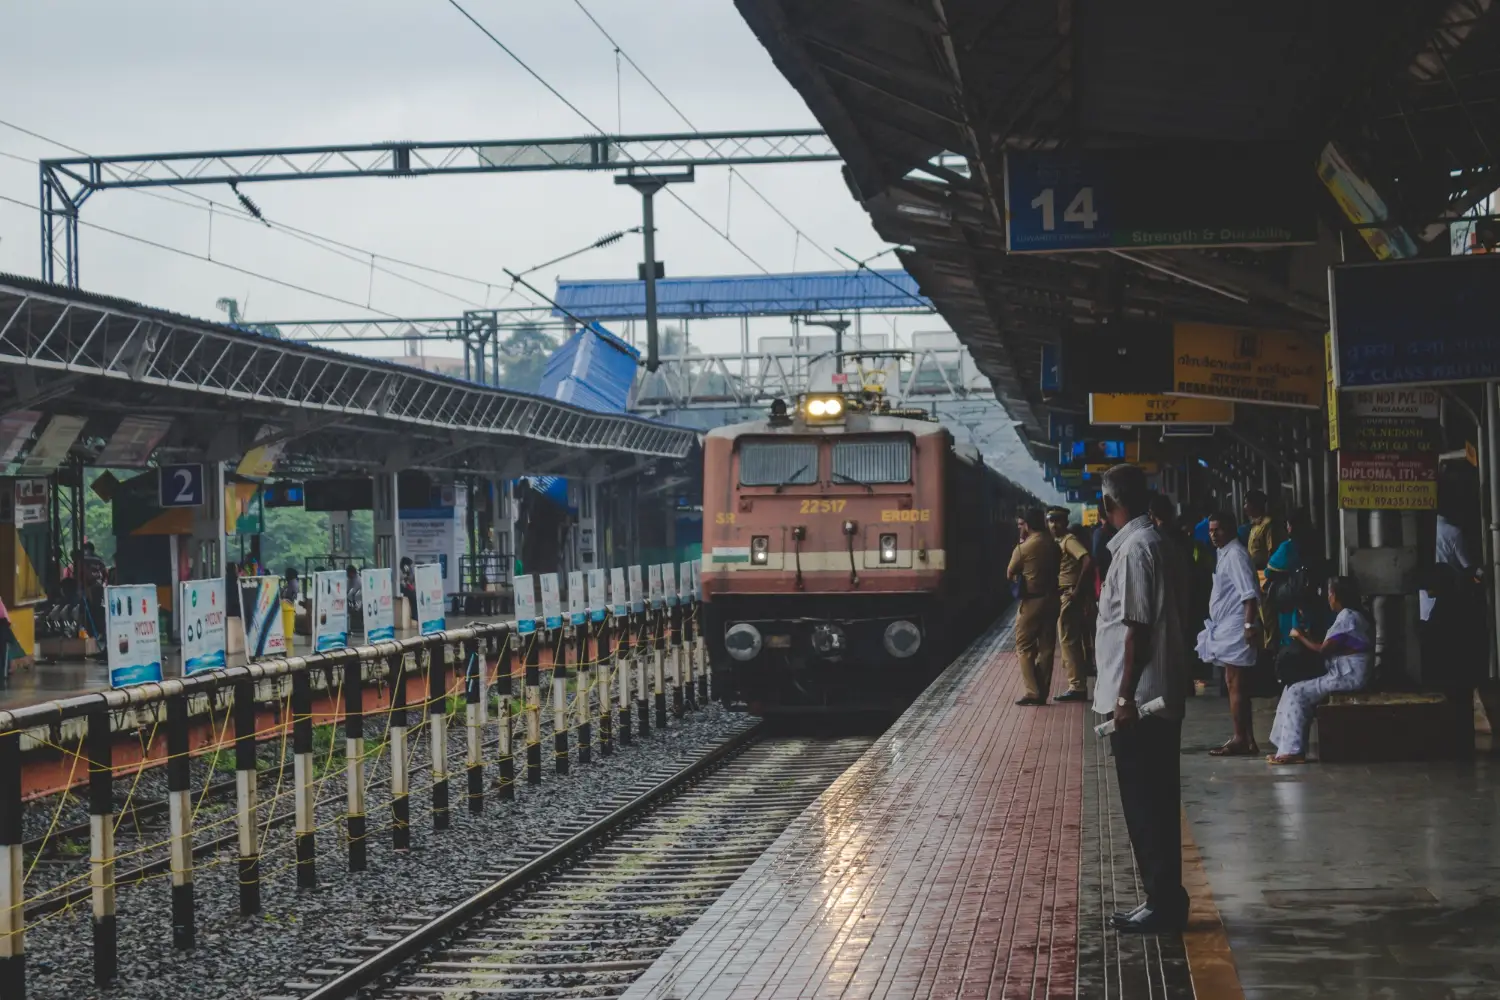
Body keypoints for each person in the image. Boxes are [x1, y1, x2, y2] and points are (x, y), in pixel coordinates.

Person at [1094, 464, 1190, 934]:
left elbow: (1136, 629)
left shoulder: (1134, 551)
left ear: (1112, 506)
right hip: (1160, 693)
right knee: (1158, 800)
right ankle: (1166, 897)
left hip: (1142, 703)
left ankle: (1163, 902)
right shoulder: (1157, 543)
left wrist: (1125, 697)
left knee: (1145, 803)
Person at [1267, 577, 1373, 764]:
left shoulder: (1348, 616)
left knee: (1298, 693)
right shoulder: (1351, 615)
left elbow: (1324, 649)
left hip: (1348, 675)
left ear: (1337, 596)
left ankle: (1294, 751)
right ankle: (1283, 746)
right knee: (1291, 687)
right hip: (1343, 671)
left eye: (1330, 593)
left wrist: (1300, 636)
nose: (1328, 598)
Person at [1196, 512, 1262, 755]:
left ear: (1231, 529)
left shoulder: (1235, 554)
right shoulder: (1224, 553)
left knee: (1235, 684)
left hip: (1237, 627)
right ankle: (1248, 738)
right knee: (1237, 685)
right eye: (1211, 530)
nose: (1213, 535)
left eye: (1218, 530)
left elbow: (1249, 594)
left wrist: (1248, 626)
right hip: (1228, 626)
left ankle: (1239, 739)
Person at [1007, 506, 1062, 706]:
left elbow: (1010, 573)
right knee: (1047, 647)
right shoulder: (1053, 545)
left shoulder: (1023, 548)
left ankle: (1032, 691)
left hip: (1032, 601)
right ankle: (1043, 691)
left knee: (1024, 646)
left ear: (1028, 525)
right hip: (1052, 599)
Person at [1046, 506, 1091, 702]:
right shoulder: (1059, 541)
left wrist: (1077, 589)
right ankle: (1076, 683)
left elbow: (1087, 560)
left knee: (1068, 640)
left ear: (1065, 523)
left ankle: (1077, 686)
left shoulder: (1069, 541)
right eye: (1050, 521)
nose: (1054, 525)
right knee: (1070, 640)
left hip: (1069, 594)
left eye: (1058, 521)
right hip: (1065, 594)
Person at [1263, 508, 1321, 649]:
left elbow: (1268, 572)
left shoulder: (1287, 547)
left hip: (1292, 600)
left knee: (1291, 639)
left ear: (1291, 526)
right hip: (1314, 597)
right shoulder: (1316, 543)